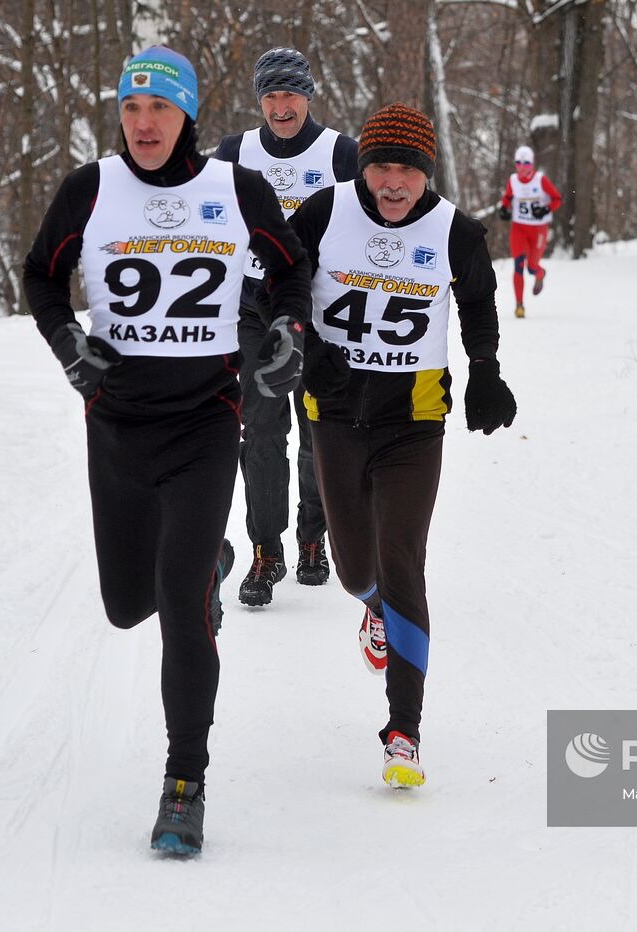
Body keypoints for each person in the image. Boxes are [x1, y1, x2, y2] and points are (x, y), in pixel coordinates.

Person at [23, 46, 311, 854]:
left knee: (180, 612)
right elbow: (40, 277)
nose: (143, 124)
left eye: (159, 108)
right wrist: (67, 341)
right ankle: (209, 561)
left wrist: (289, 328)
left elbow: (293, 271)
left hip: (207, 421)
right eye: (129, 108)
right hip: (116, 422)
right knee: (127, 605)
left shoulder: (236, 188)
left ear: (186, 115)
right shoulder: (90, 190)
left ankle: (185, 781)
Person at [289, 103, 516, 787]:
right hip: (332, 410)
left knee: (404, 560)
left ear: (427, 173)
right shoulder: (323, 214)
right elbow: (278, 280)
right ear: (364, 167)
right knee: (358, 569)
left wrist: (487, 371)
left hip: (414, 419)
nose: (393, 183)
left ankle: (403, 731)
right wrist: (305, 343)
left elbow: (477, 303)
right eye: (381, 166)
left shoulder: (456, 233)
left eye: (408, 170)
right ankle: (371, 609)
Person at [212, 47, 359, 607]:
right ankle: (266, 550)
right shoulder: (235, 152)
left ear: (308, 95)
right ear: (260, 99)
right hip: (254, 308)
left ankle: (313, 539)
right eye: (270, 95)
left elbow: (371, 221)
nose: (280, 106)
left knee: (317, 427)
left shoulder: (340, 153)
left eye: (290, 94)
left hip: (320, 312)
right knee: (264, 430)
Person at [496, 144, 562, 318]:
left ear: (531, 164)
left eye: (526, 163)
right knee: (518, 265)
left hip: (539, 230)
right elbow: (508, 197)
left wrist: (546, 209)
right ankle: (519, 305)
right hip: (519, 228)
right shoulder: (513, 180)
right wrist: (504, 208)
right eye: (518, 163)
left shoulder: (540, 180)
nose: (522, 167)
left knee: (532, 267)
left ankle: (540, 273)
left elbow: (557, 199)